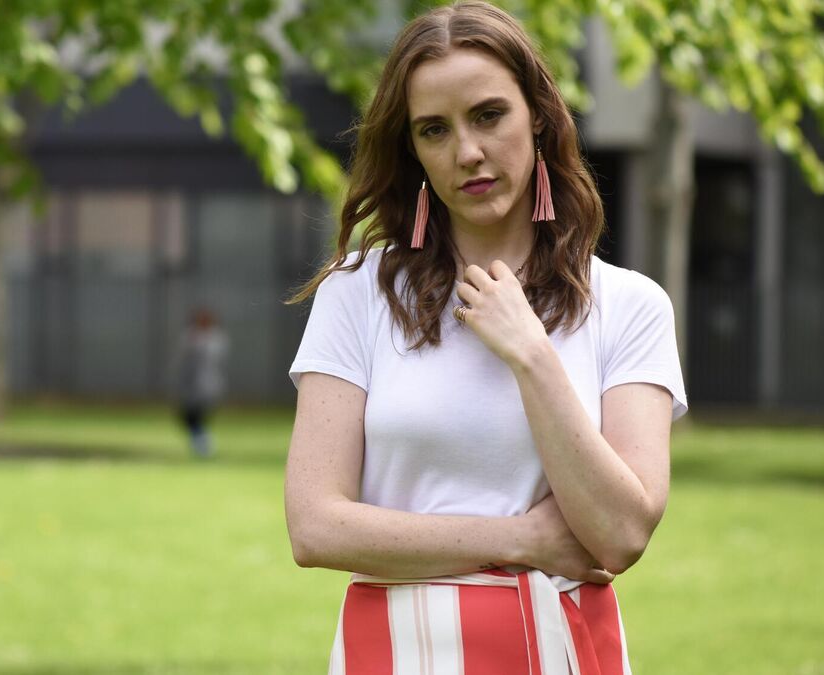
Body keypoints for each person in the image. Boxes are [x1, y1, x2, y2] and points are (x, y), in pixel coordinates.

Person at [283, 2, 688, 673]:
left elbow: (620, 533)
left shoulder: (629, 306)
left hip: (562, 650)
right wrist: (520, 538)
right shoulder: (355, 294)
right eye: (434, 129)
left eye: (489, 115)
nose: (467, 152)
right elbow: (315, 526)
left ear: (539, 117)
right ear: (412, 150)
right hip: (399, 652)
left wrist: (531, 354)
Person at [174, 307, 229, 458]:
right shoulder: (191, 335)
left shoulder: (215, 338)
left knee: (197, 416)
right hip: (191, 384)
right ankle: (201, 443)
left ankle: (203, 445)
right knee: (189, 416)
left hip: (207, 385)